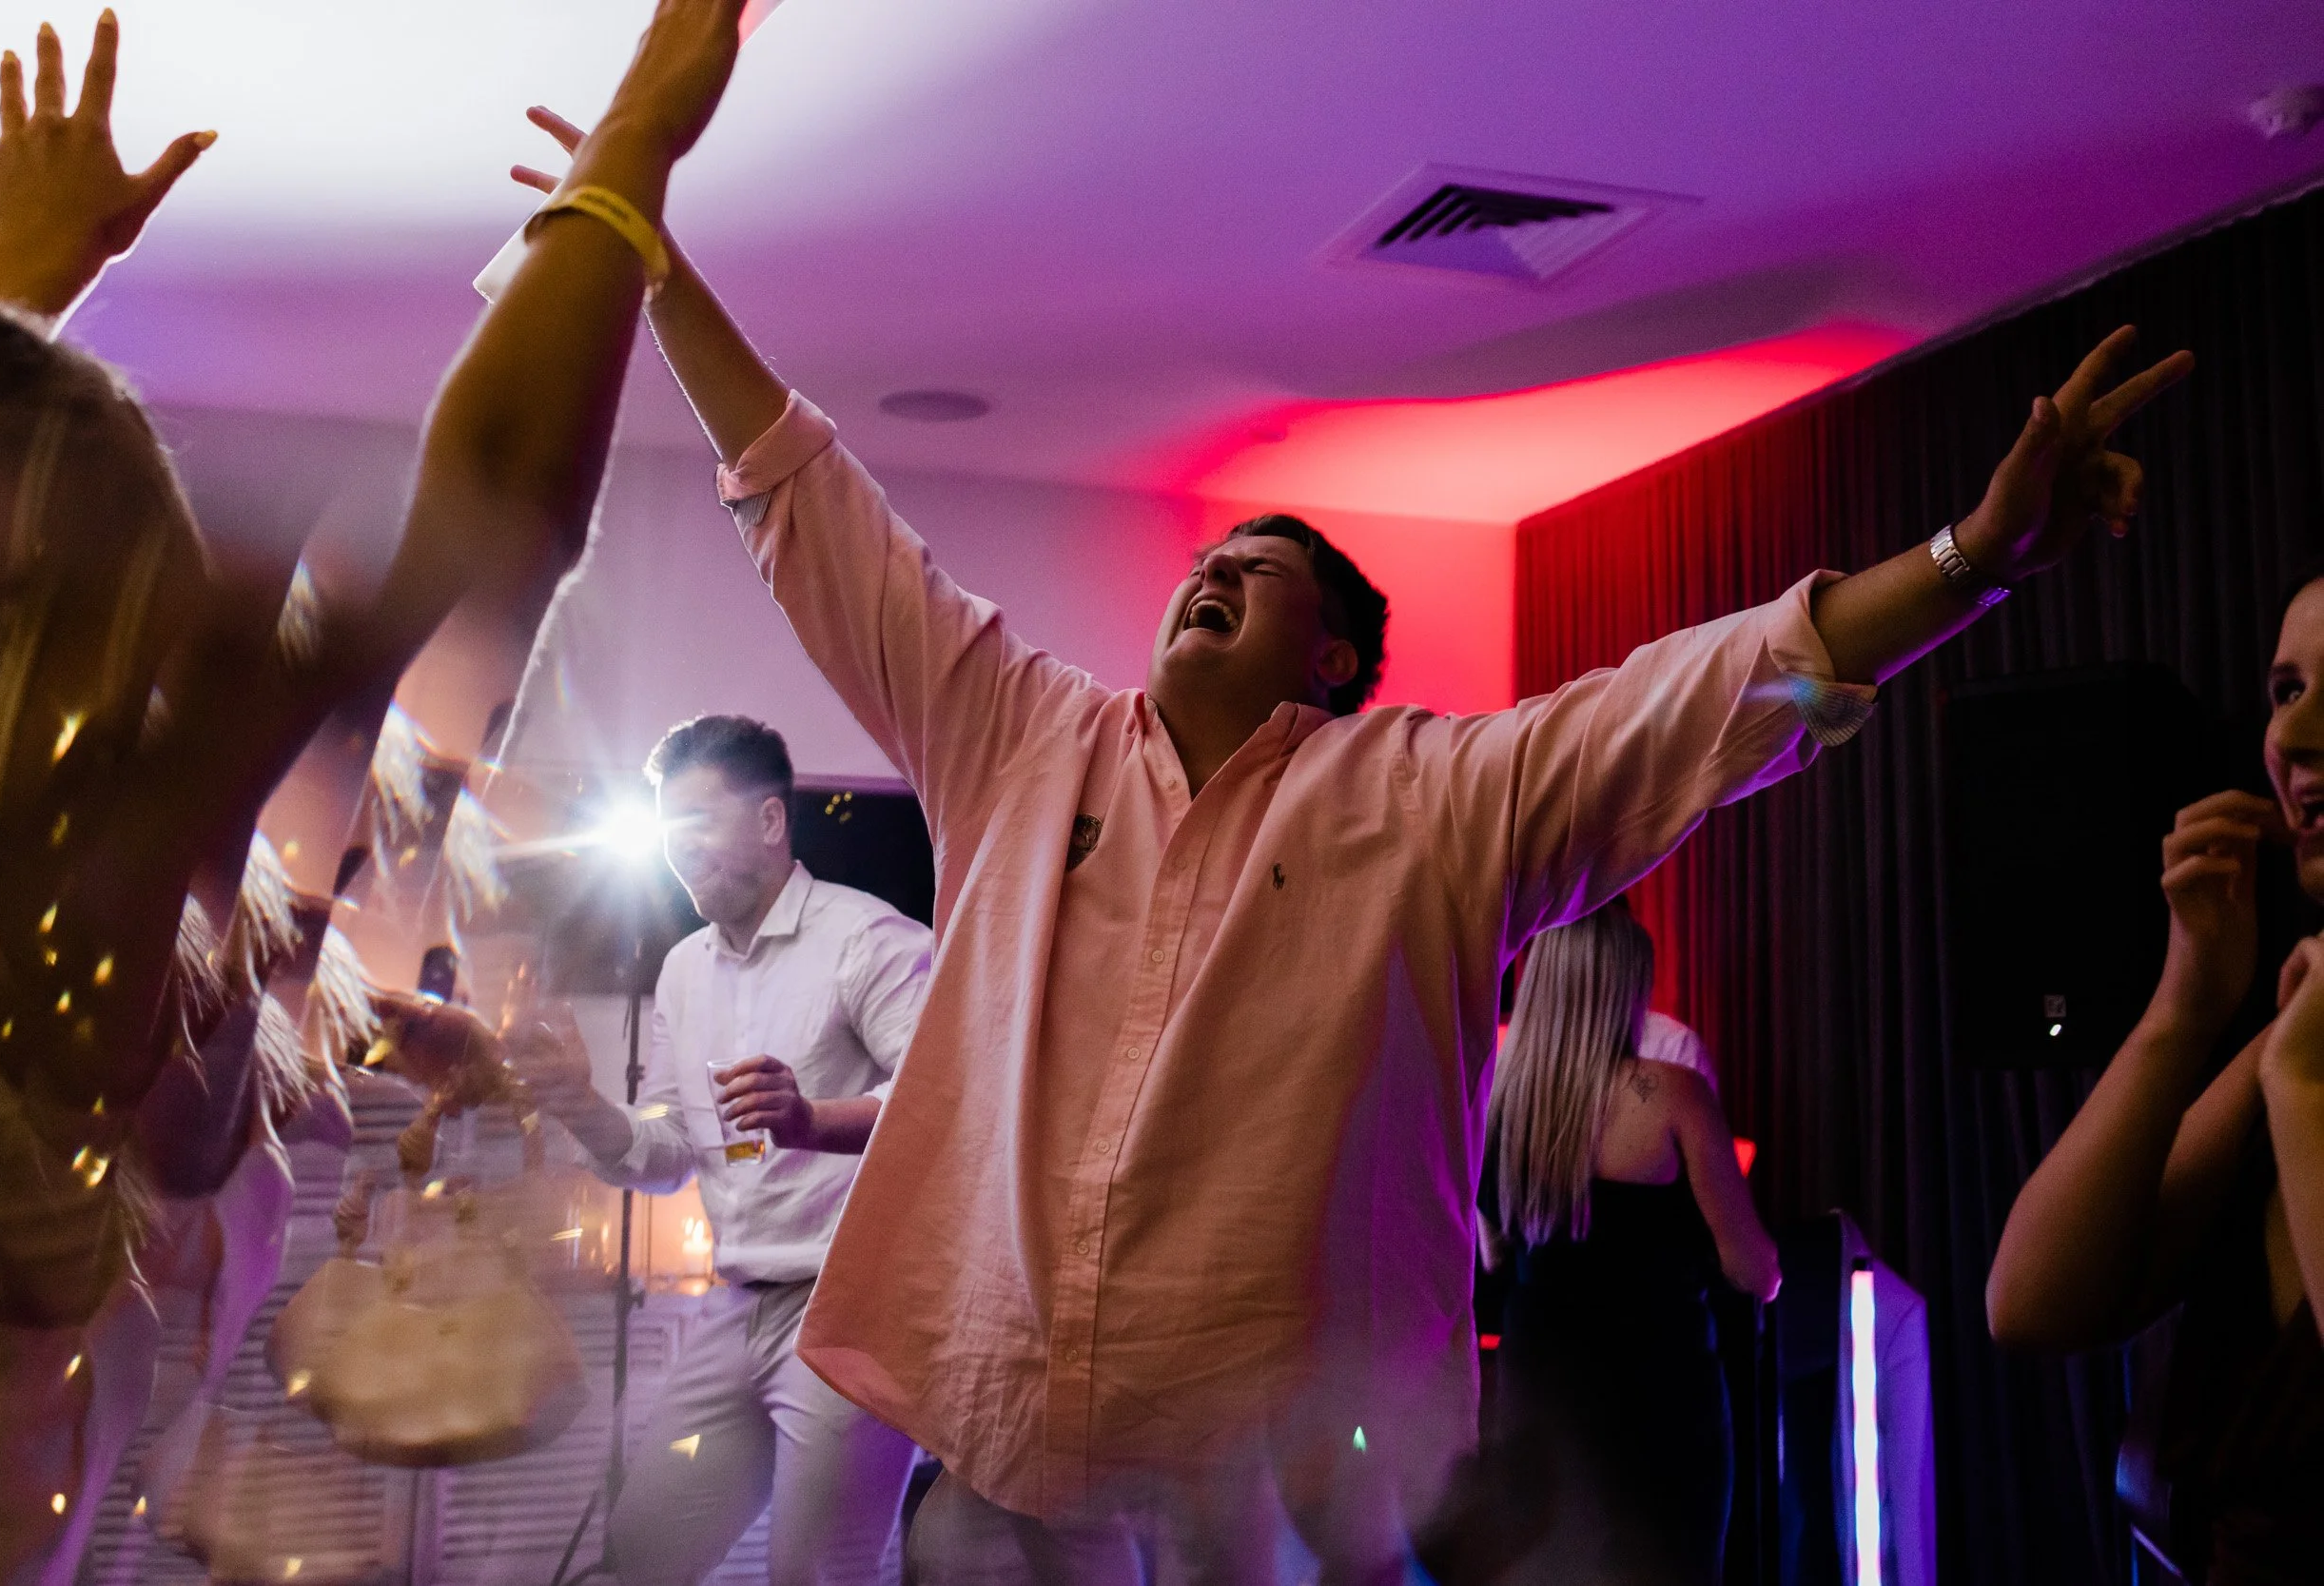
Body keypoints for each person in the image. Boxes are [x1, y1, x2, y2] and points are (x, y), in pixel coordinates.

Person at [507, 97, 2191, 1582]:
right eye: (1205, 559)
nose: (1210, 569)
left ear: (1330, 654)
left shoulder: (1435, 799)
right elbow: (819, 514)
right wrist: (656, 268)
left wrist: (1972, 558)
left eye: (1258, 566)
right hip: (1005, 1486)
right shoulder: (1019, 737)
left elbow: (1711, 694)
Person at [0, 6, 752, 1579]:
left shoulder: (138, 907)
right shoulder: (123, 903)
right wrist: (633, 148)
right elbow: (498, 510)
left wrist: (24, 280)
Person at [507, 715, 928, 1586]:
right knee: (642, 1554)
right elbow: (668, 1149)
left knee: (815, 1577)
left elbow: (947, 1105)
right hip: (736, 1312)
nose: (677, 847)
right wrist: (580, 1102)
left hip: (854, 1311)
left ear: (770, 820)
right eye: (669, 828)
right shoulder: (684, 969)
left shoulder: (867, 939)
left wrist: (809, 1120)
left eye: (697, 820)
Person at [1986, 568, 2324, 1584]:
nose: (2293, 733)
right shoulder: (2296, 1024)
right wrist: (2187, 1003)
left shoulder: (2299, 1057)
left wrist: (2301, 1087)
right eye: (2285, 690)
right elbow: (2029, 1301)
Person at [1438, 900, 1776, 1586]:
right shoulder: (1674, 1095)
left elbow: (1494, 1254)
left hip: (1538, 1400)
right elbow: (1754, 1269)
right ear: (1623, 986)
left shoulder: (1494, 1100)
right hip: (1661, 1398)